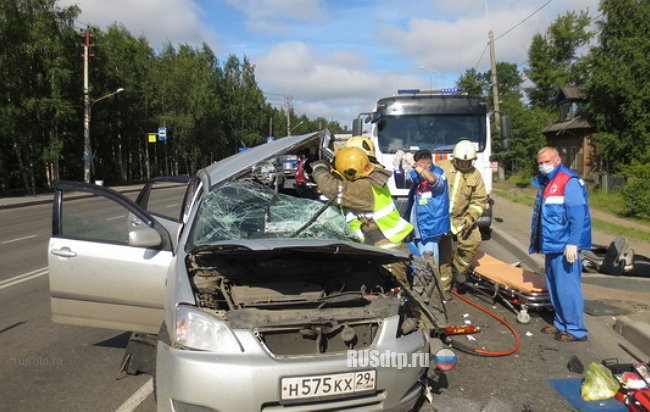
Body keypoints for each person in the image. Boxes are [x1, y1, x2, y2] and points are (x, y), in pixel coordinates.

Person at [310, 147, 413, 285]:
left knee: (394, 296)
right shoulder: (373, 178)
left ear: (349, 173)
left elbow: (332, 189)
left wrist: (320, 169)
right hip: (384, 251)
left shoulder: (362, 189)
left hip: (387, 256)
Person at [530, 146, 591, 342]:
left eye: (546, 162)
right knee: (554, 286)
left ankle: (575, 329)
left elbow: (577, 214)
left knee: (567, 288)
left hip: (565, 247)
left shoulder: (568, 180)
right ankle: (561, 323)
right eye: (540, 162)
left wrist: (573, 243)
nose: (542, 166)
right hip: (552, 244)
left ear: (557, 160)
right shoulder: (548, 182)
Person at [437, 139, 489, 291]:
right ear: (454, 159)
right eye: (461, 162)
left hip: (462, 218)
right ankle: (444, 289)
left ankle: (460, 269)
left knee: (473, 241)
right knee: (443, 255)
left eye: (468, 162)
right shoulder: (442, 167)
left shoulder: (475, 175)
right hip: (442, 219)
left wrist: (469, 218)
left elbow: (479, 201)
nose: (464, 165)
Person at [403, 150, 451, 297]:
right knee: (419, 263)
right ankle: (421, 291)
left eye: (418, 165)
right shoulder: (419, 176)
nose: (415, 168)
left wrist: (413, 164)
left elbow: (432, 180)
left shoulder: (438, 175)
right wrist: (403, 166)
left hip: (429, 229)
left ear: (428, 164)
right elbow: (406, 180)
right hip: (418, 228)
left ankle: (431, 295)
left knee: (429, 264)